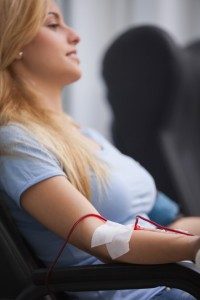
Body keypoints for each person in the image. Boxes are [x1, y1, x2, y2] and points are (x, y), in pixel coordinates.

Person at [0, 1, 200, 299]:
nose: (75, 36)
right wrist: (193, 248)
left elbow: (170, 221)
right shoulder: (16, 141)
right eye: (53, 25)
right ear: (16, 41)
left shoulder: (89, 136)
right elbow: (99, 237)